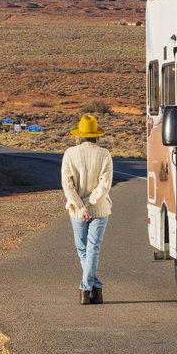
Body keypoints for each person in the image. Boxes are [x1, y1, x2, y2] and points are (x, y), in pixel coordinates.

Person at [61, 113, 114, 305]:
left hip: (77, 210)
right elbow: (105, 184)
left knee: (83, 249)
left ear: (80, 134)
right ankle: (95, 288)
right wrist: (91, 203)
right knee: (93, 249)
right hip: (100, 209)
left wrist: (82, 206)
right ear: (97, 135)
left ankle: (86, 289)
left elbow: (67, 185)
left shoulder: (70, 154)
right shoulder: (104, 154)